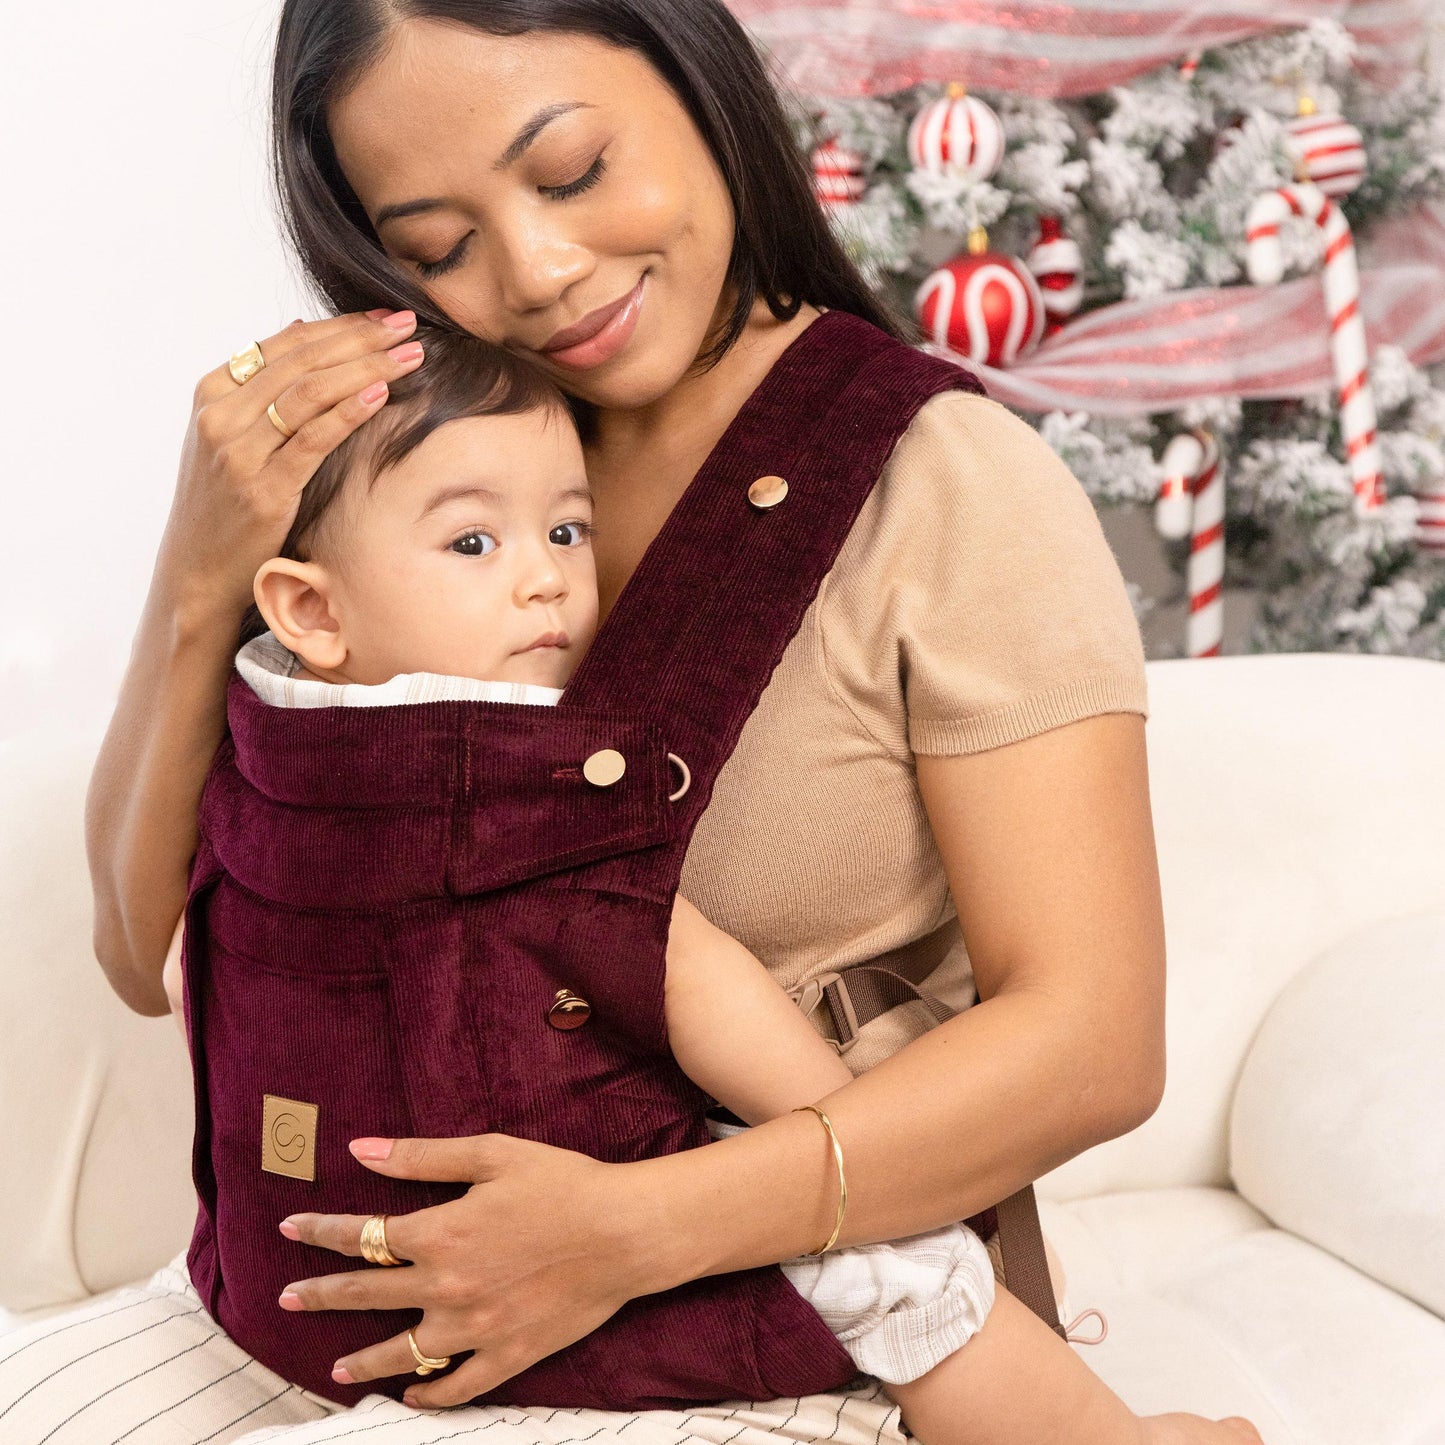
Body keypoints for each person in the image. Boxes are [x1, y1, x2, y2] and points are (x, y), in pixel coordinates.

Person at [4, 1, 1265, 1442]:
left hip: (758, 1297)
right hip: (338, 1293)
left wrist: (626, 1230)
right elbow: (130, 944)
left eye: (571, 169)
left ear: (695, 80)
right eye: (435, 246)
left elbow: (1092, 1044)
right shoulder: (427, 476)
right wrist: (199, 557)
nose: (535, 273)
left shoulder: (942, 481)